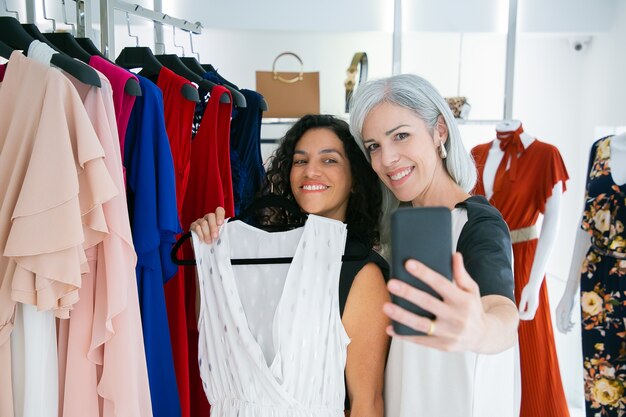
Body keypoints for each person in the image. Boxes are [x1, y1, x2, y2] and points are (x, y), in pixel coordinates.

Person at [191, 114, 390, 416]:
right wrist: (209, 256)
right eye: (300, 161)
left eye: (329, 160)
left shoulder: (361, 272)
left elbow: (367, 402)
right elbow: (213, 332)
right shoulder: (252, 254)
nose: (310, 171)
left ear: (354, 179)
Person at [349, 73, 520, 416]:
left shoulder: (476, 223)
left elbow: (501, 310)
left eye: (401, 136)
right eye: (374, 147)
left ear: (439, 130)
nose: (387, 159)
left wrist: (482, 329)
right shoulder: (397, 226)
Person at [556, 133, 626, 417]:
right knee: (601, 380)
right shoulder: (601, 149)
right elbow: (586, 223)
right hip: (598, 280)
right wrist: (569, 290)